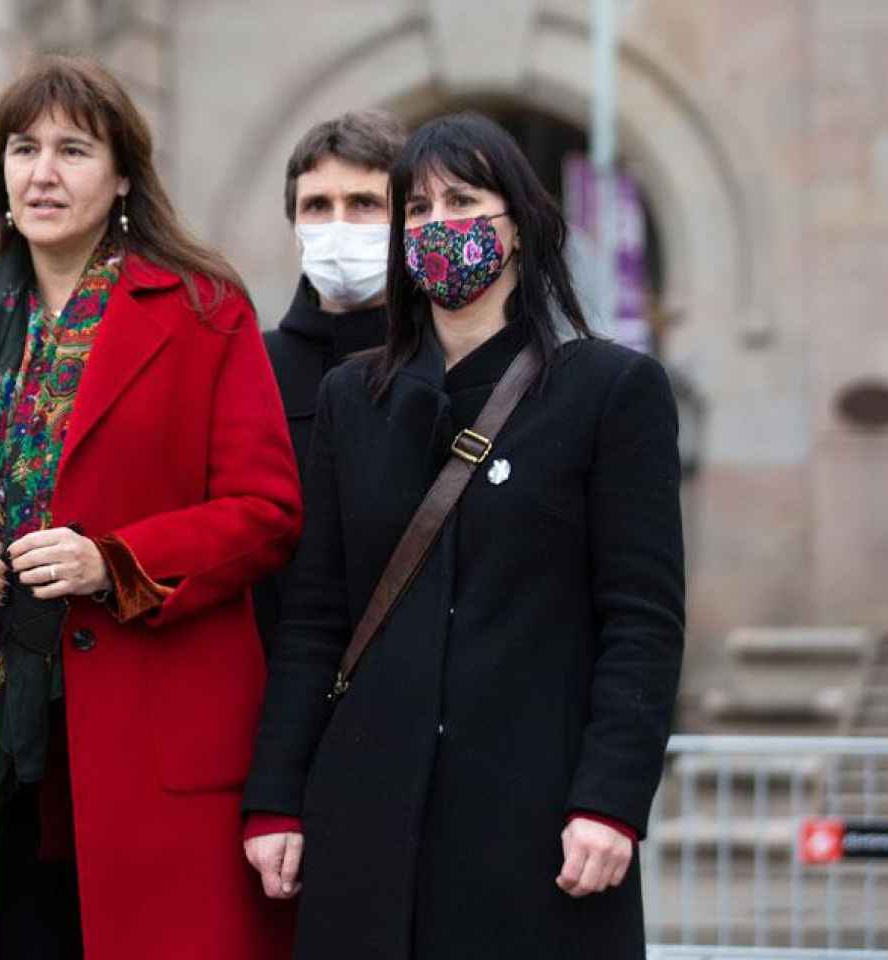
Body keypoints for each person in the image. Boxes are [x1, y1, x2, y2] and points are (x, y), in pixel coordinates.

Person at [0, 55, 301, 960]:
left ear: (124, 174)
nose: (43, 173)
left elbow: (266, 508)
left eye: (73, 149)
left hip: (147, 740)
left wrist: (117, 561)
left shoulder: (203, 309)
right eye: (23, 149)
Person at [242, 112, 684, 958]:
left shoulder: (609, 390)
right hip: (367, 814)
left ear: (518, 226)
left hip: (536, 823)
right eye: (417, 207)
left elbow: (642, 620)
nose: (438, 224)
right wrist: (275, 797)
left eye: (463, 200)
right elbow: (314, 620)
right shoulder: (352, 398)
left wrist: (611, 801)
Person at [253, 109, 405, 648]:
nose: (338, 224)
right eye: (318, 206)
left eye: (364, 204)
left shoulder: (439, 364)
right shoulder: (250, 367)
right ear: (294, 223)